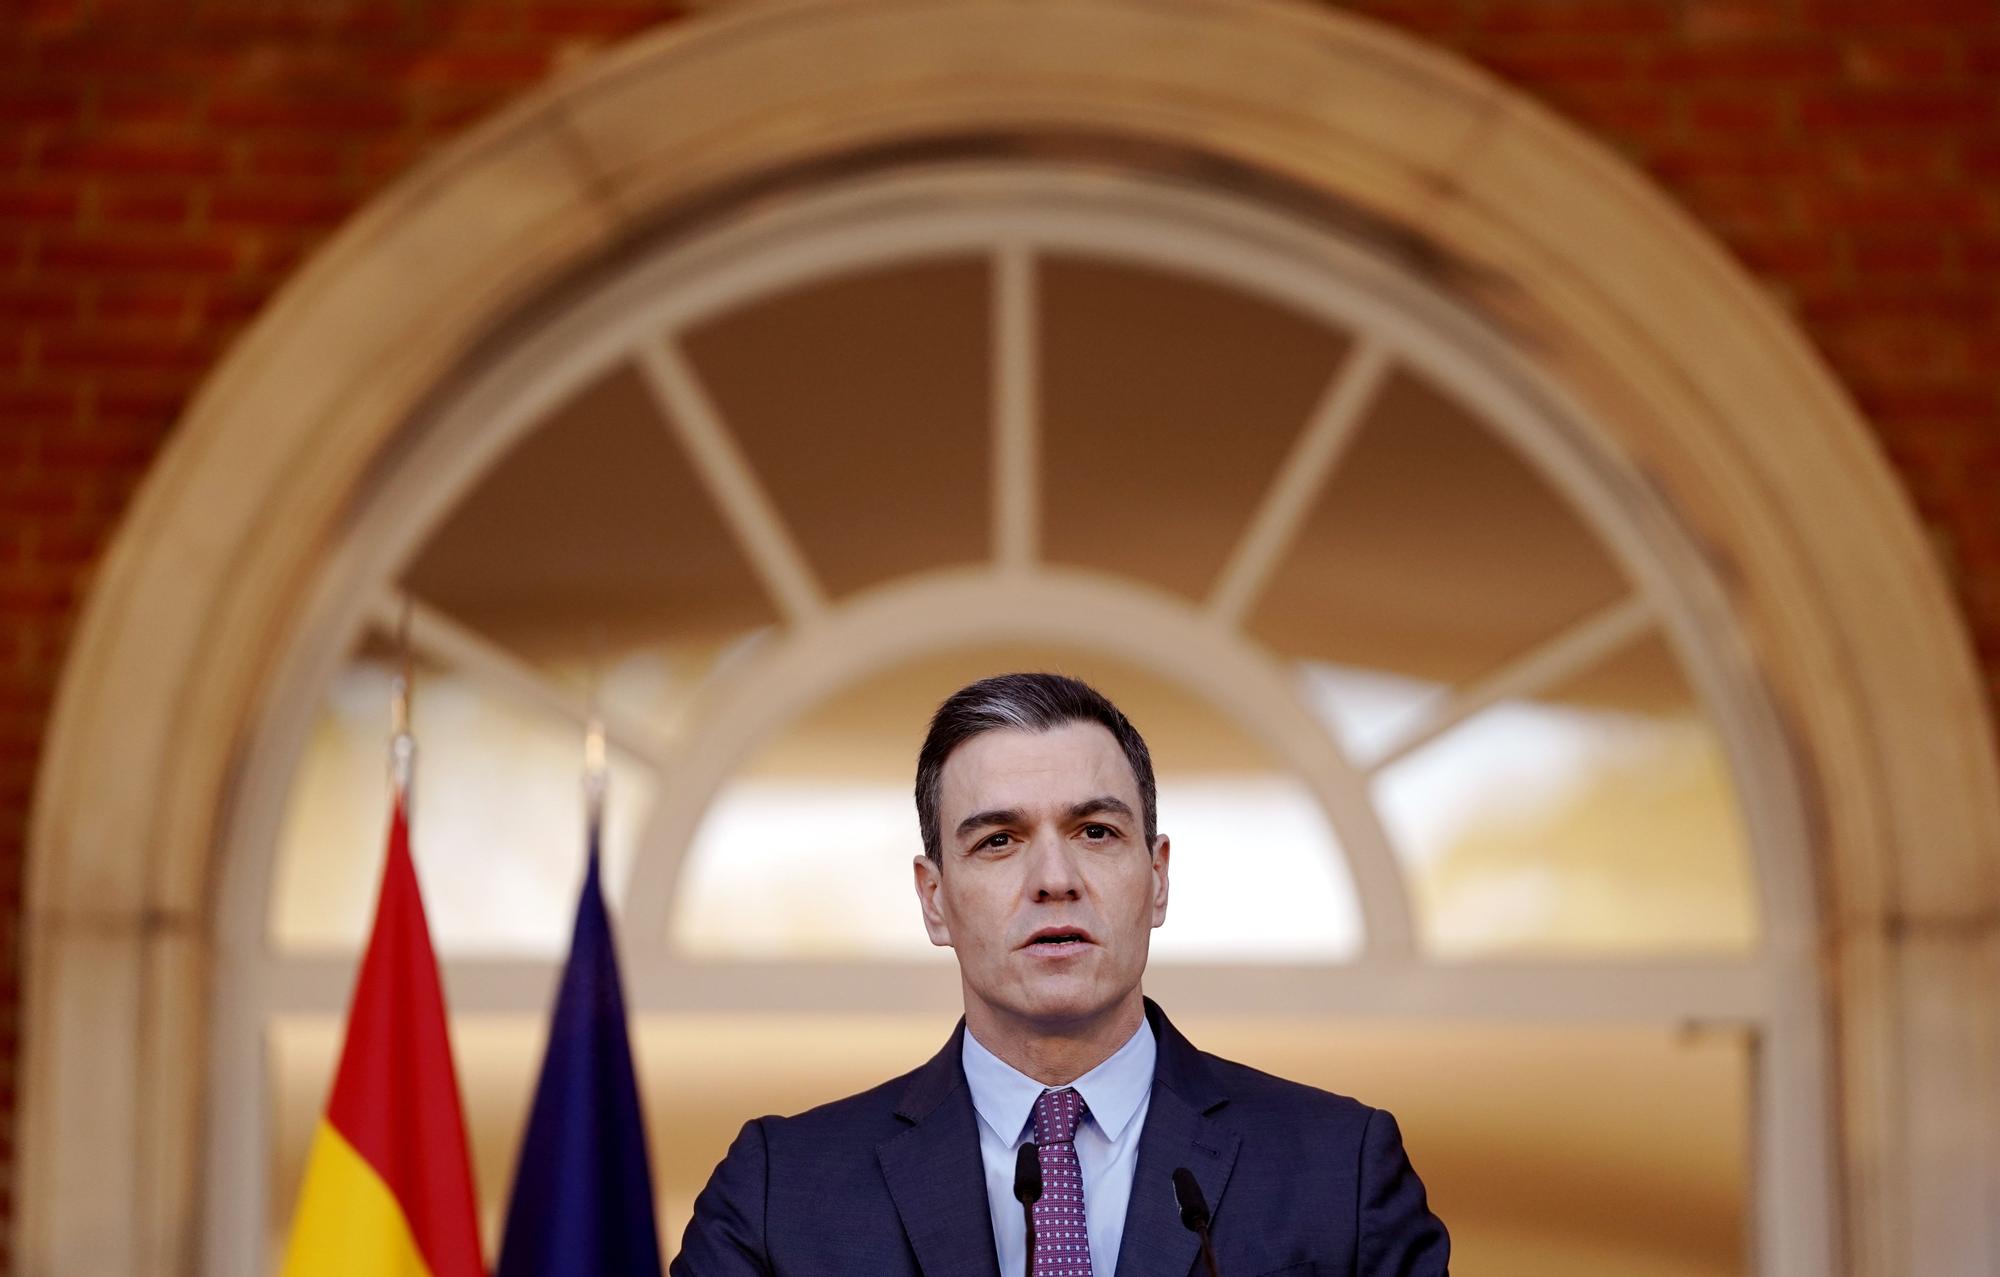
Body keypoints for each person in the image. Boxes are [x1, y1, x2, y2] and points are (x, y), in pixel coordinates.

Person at [673, 672, 1449, 1275]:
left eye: (1096, 830)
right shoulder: (782, 1191)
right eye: (999, 840)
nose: (1054, 877)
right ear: (934, 900)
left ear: (1158, 878)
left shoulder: (1338, 1168)